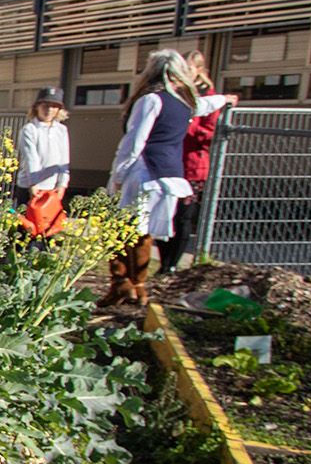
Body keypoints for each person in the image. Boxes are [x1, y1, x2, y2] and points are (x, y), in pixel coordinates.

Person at [100, 49, 237, 306]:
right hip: (169, 175)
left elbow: (134, 141)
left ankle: (122, 283)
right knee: (144, 233)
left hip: (143, 172)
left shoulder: (151, 99)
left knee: (119, 228)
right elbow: (203, 105)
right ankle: (138, 286)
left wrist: (118, 175)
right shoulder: (184, 102)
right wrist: (224, 99)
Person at [156, 49, 221, 274]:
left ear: (199, 71)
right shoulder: (177, 94)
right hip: (171, 162)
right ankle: (163, 263)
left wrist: (187, 124)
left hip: (193, 167)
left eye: (188, 69)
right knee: (166, 215)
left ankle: (173, 264)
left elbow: (210, 133)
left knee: (184, 217)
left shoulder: (207, 96)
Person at [14, 86, 70, 208]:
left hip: (52, 187)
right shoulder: (29, 129)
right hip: (29, 186)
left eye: (54, 106)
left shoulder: (61, 130)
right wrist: (33, 183)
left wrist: (62, 184)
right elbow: (31, 158)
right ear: (37, 107)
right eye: (45, 105)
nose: (49, 110)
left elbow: (64, 159)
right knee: (26, 224)